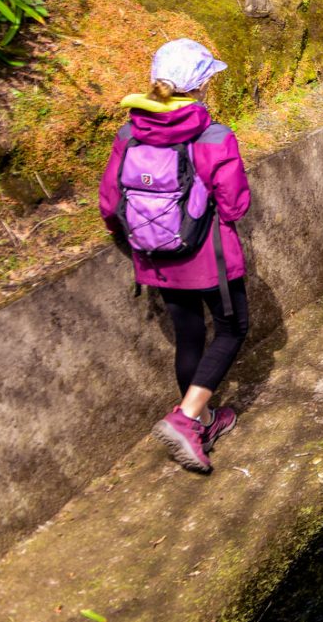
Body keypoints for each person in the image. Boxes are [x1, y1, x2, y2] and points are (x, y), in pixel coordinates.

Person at [99, 38, 253, 474]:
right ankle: (185, 419)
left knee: (188, 336)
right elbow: (235, 204)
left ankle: (204, 419)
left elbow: (110, 203)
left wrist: (129, 239)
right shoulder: (214, 137)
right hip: (208, 257)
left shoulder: (128, 133)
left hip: (154, 256)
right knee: (232, 329)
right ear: (201, 86)